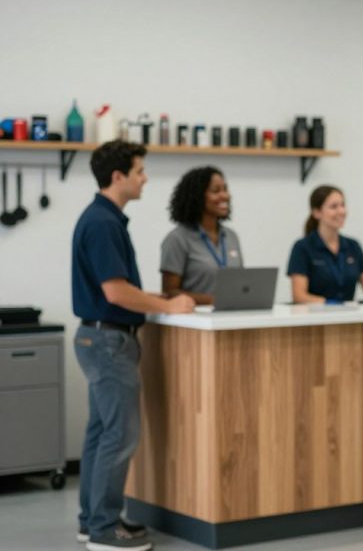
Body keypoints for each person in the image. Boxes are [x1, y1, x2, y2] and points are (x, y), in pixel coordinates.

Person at [72, 140, 195, 551]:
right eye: (140, 171)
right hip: (109, 340)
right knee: (119, 436)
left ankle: (93, 522)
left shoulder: (104, 218)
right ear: (118, 176)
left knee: (100, 433)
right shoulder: (103, 223)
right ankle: (105, 532)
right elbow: (117, 292)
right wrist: (167, 302)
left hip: (98, 338)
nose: (146, 178)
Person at [287, 185, 363, 303]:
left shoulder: (353, 246)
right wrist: (331, 304)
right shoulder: (302, 248)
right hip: (315, 318)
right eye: (334, 207)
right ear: (316, 213)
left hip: (348, 318)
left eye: (343, 205)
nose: (341, 211)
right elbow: (299, 296)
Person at [160, 166, 243, 305]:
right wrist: (212, 300)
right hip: (194, 321)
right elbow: (169, 292)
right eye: (216, 191)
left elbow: (240, 282)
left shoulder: (231, 236)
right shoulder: (177, 239)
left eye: (225, 189)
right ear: (197, 196)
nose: (224, 196)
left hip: (231, 318)